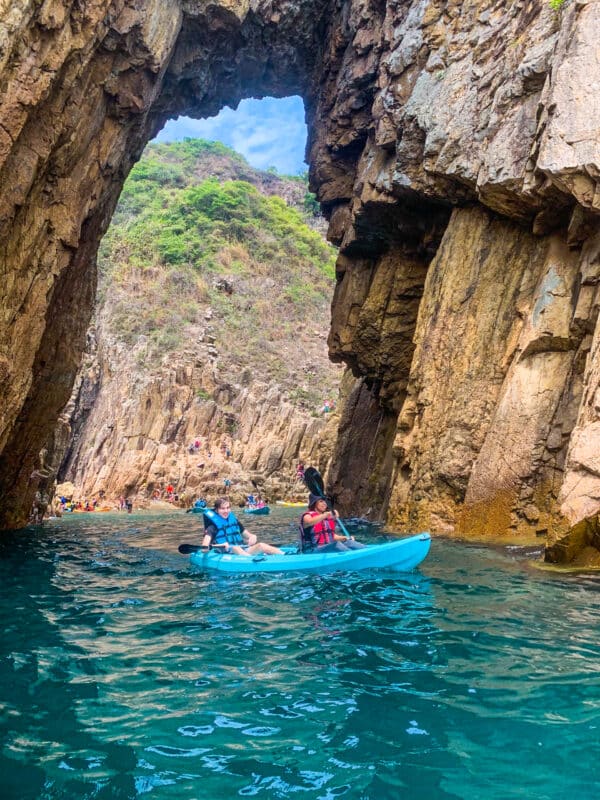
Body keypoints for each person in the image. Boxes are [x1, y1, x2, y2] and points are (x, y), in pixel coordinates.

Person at [201, 497, 282, 557]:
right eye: (222, 509)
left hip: (243, 550)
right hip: (225, 553)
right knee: (236, 548)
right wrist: (221, 545)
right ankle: (251, 562)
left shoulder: (233, 521)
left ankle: (285, 555)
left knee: (261, 545)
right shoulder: (212, 527)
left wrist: (253, 536)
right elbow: (204, 548)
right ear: (216, 510)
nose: (226, 511)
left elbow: (248, 535)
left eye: (228, 508)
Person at [300, 493, 364, 553]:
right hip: (312, 550)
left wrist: (344, 538)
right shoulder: (307, 516)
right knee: (336, 545)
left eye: (325, 501)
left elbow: (331, 536)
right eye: (321, 501)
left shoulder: (326, 518)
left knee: (349, 542)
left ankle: (366, 551)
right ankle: (353, 557)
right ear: (314, 503)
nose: (324, 503)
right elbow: (309, 522)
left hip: (327, 548)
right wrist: (326, 514)